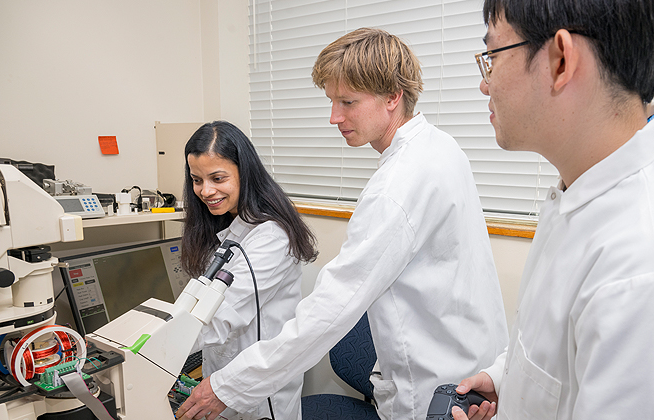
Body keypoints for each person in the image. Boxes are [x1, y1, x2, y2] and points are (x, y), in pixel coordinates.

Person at [176, 28, 508, 420]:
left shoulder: (397, 186)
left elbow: (332, 307)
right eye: (333, 101)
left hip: (431, 393)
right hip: (465, 373)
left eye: (347, 102)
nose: (335, 117)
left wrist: (232, 385)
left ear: (392, 96)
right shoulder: (441, 149)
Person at [452, 1, 654, 419]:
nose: (485, 85)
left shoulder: (651, 271)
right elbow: (567, 352)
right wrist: (509, 381)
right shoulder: (584, 188)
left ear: (561, 59)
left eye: (493, 56)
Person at [178, 121, 317, 420]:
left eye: (217, 178)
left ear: (245, 172)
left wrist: (146, 343)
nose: (206, 190)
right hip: (223, 381)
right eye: (197, 180)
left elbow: (219, 316)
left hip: (258, 395)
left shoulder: (271, 237)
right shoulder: (227, 229)